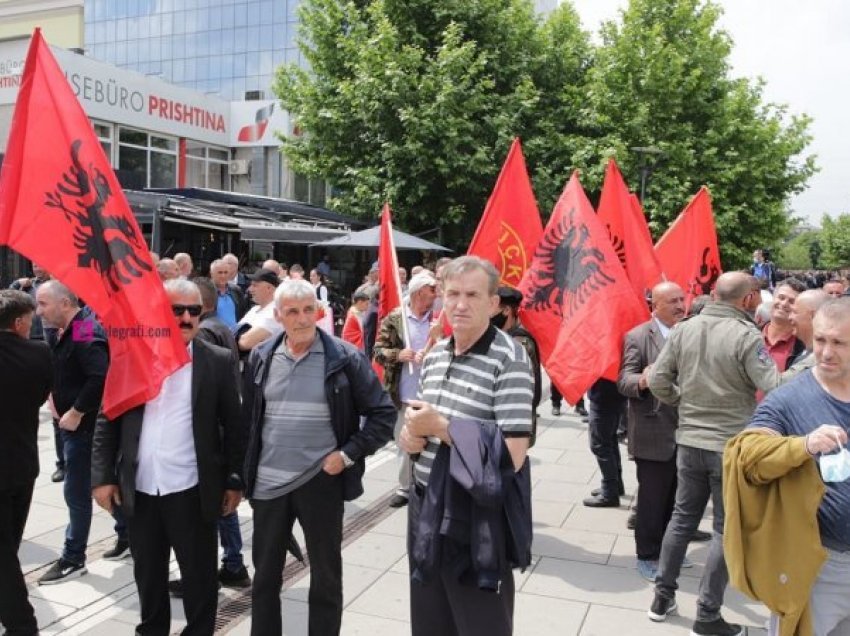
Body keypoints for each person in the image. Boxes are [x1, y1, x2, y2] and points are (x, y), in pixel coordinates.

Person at [242, 279, 395, 636]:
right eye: (292, 311)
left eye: (308, 309)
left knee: (326, 575)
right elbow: (247, 421)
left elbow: (383, 415)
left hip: (320, 481)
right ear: (277, 315)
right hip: (268, 485)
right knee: (264, 577)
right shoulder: (262, 356)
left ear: (319, 311)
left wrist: (347, 455)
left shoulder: (344, 358)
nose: (301, 318)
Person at [91, 279, 244, 636]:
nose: (187, 317)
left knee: (200, 575)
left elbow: (235, 426)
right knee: (148, 573)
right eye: (178, 310)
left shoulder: (217, 361)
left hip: (191, 488)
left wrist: (235, 479)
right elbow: (107, 416)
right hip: (141, 489)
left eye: (195, 310)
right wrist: (101, 476)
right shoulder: (133, 355)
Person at [399, 256, 533, 636]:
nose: (460, 304)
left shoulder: (509, 359)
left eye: (472, 294)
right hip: (425, 503)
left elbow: (513, 453)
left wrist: (440, 427)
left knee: (479, 622)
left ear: (494, 304)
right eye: (452, 293)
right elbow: (419, 429)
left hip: (474, 517)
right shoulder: (436, 354)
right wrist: (410, 438)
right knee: (429, 617)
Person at [646, 272, 780, 636]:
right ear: (750, 298)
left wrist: (682, 400)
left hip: (689, 440)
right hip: (729, 445)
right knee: (725, 529)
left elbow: (658, 379)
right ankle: (706, 614)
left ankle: (661, 598)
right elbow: (773, 386)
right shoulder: (746, 335)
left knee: (681, 519)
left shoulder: (686, 329)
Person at [729, 298, 850, 636]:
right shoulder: (789, 397)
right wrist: (802, 446)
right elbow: (748, 457)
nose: (826, 352)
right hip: (821, 567)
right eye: (821, 339)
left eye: (839, 343)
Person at [35, 281, 127, 584]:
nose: (39, 311)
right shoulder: (72, 328)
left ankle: (73, 557)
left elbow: (99, 376)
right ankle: (129, 534)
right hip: (74, 429)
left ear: (65, 303)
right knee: (90, 490)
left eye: (44, 303)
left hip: (84, 429)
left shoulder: (84, 328)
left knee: (76, 493)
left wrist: (76, 411)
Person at [617, 282, 686, 581]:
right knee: (652, 500)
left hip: (687, 430)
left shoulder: (691, 332)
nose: (680, 305)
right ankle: (647, 554)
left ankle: (669, 553)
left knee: (678, 499)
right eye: (672, 301)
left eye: (682, 299)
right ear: (654, 305)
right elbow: (624, 381)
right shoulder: (637, 336)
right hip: (653, 431)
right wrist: (643, 381)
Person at [0, 290, 53, 636]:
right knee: (9, 547)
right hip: (21, 464)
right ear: (19, 323)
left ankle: (21, 623)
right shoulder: (40, 353)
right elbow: (39, 397)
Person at [373, 271, 438, 508]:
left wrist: (434, 348)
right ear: (420, 292)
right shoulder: (395, 318)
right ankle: (405, 487)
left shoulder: (440, 318)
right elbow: (378, 350)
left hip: (434, 394)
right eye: (433, 289)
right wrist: (397, 355)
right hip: (403, 393)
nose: (436, 294)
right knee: (405, 443)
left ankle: (431, 486)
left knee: (433, 444)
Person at [493, 286, 542, 445]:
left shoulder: (519, 343)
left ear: (506, 310)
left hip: (513, 427)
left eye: (492, 308)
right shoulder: (503, 336)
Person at [762, 279, 807, 372]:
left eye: (791, 301)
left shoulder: (804, 347)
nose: (784, 304)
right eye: (781, 298)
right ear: (773, 298)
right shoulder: (750, 334)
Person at [235, 269, 283, 354]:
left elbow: (245, 343)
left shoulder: (275, 313)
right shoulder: (254, 309)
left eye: (255, 285)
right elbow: (235, 332)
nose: (250, 289)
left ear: (269, 288)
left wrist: (236, 336)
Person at [785, 288, 830, 378]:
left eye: (795, 312)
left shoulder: (826, 362)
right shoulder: (803, 350)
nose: (789, 317)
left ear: (814, 316)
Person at [210, 259, 247, 330]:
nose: (223, 276)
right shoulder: (206, 292)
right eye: (220, 273)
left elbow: (243, 314)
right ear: (212, 274)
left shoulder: (236, 290)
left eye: (226, 272)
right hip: (215, 337)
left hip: (235, 337)